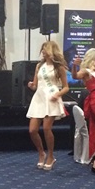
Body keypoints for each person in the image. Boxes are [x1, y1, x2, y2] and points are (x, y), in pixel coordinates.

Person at [25, 41, 69, 170]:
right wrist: (31, 85)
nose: (43, 51)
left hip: (51, 98)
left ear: (51, 51)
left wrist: (58, 94)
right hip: (39, 98)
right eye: (42, 49)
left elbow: (66, 87)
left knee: (46, 128)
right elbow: (35, 85)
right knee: (32, 130)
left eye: (45, 49)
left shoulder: (59, 67)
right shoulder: (39, 66)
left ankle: (50, 156)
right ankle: (41, 153)